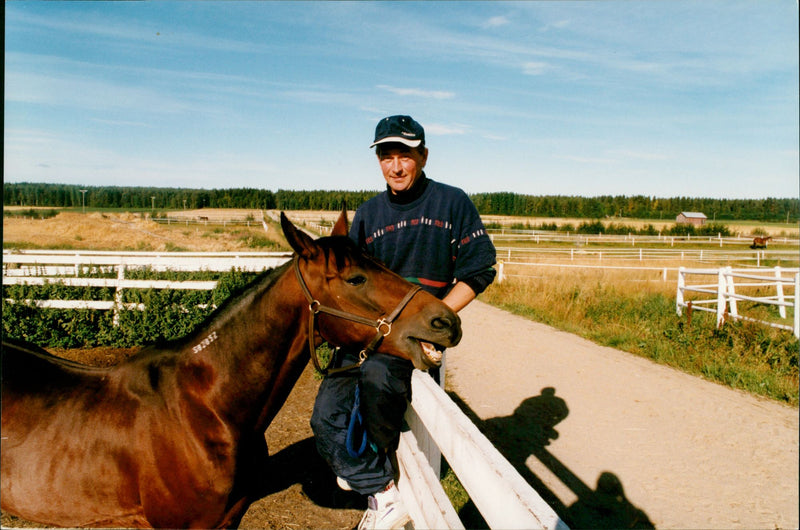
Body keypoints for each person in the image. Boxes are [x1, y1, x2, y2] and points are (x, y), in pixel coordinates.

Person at [310, 115, 497, 530]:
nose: (396, 166)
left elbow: (479, 269)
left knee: (377, 379)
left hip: (410, 335)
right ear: (379, 161)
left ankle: (381, 487)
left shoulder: (452, 203)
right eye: (386, 156)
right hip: (368, 331)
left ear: (423, 156)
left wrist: (436, 321)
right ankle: (383, 493)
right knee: (324, 416)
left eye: (405, 156)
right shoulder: (370, 214)